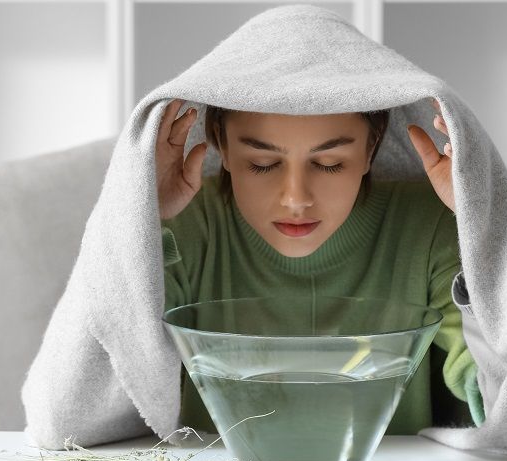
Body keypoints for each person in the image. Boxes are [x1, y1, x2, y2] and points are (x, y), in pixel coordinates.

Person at [156, 97, 484, 435]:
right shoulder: (187, 228)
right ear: (221, 145)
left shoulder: (427, 229)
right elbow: (106, 399)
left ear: (370, 148)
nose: (296, 198)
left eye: (329, 163)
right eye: (263, 163)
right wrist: (144, 216)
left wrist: (483, 222)